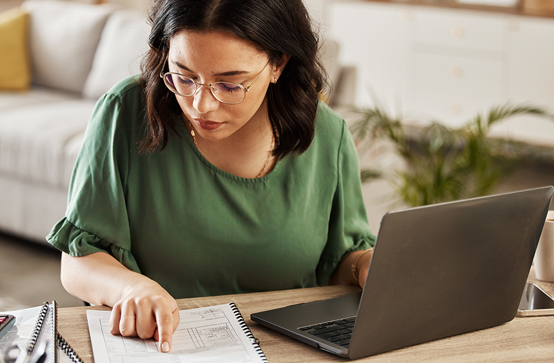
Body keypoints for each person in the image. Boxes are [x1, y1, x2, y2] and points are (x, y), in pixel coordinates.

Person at [46, 0, 376, 354]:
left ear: (278, 64)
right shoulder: (125, 112)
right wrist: (130, 289)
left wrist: (366, 265)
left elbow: (342, 262)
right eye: (184, 76)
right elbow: (78, 261)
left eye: (230, 85)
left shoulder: (327, 134)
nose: (201, 105)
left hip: (290, 352)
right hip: (164, 348)